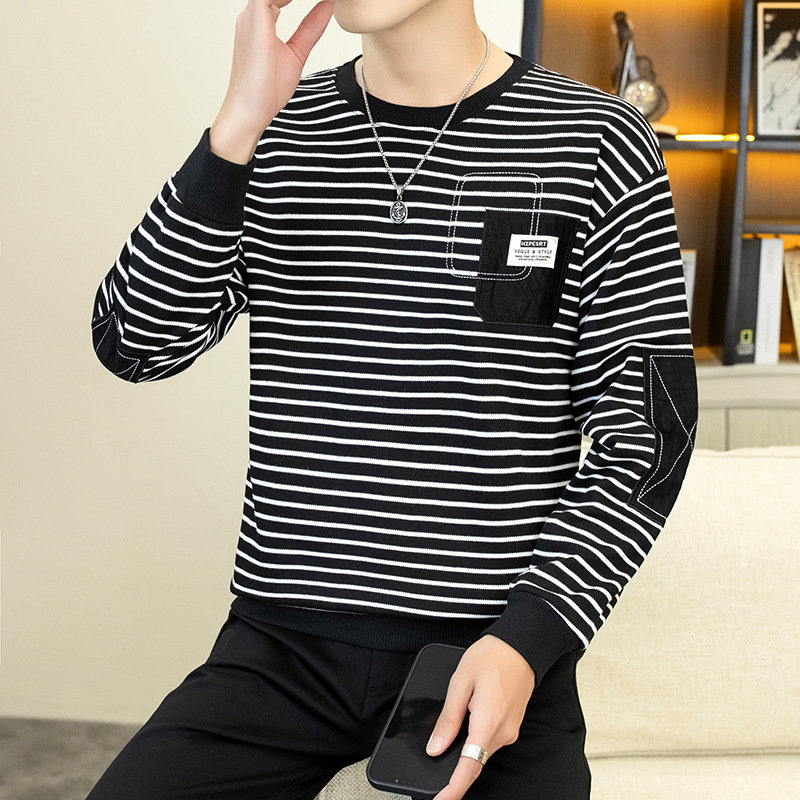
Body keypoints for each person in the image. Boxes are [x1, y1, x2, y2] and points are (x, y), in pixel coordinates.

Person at [87, 0, 698, 798]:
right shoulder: (276, 129)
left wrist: (527, 641)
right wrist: (235, 128)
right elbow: (133, 344)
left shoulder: (596, 140)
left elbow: (651, 438)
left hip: (486, 652)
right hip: (281, 650)